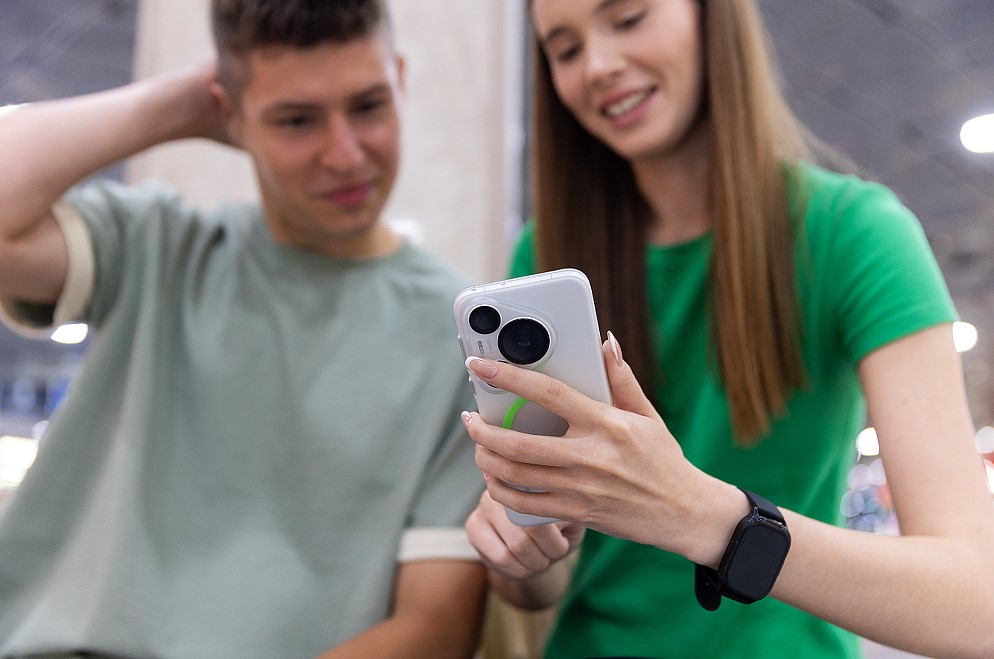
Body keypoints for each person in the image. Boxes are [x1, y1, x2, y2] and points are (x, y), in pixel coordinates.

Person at [462, 0, 994, 658]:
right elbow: (543, 583)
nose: (597, 66)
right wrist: (524, 549)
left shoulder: (857, 235)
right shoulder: (549, 262)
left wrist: (702, 516)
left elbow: (976, 607)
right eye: (565, 50)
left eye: (628, 19)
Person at [0, 0, 487, 657]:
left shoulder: (460, 333)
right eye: (296, 120)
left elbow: (436, 628)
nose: (345, 154)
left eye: (369, 106)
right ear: (228, 115)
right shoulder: (156, 247)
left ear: (399, 79)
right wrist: (177, 104)